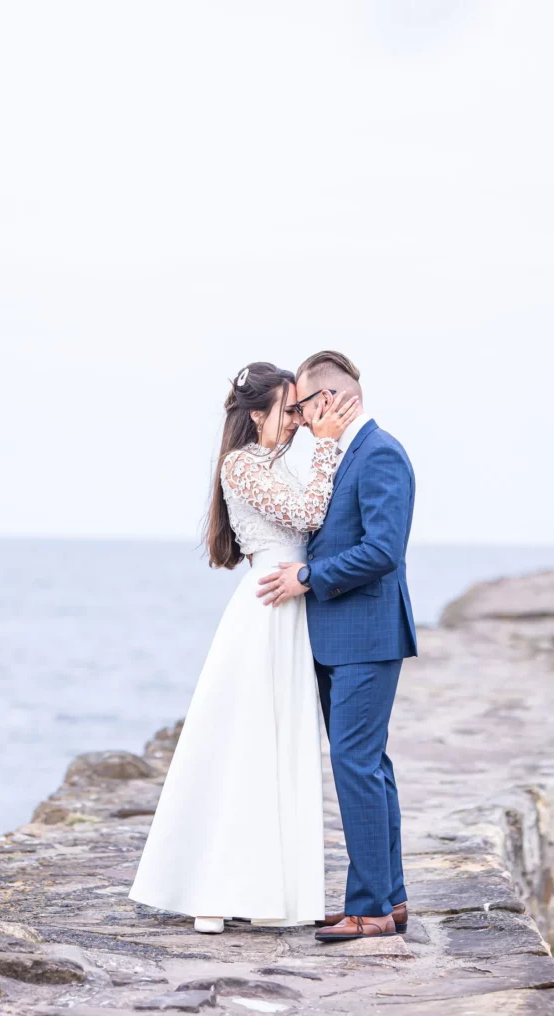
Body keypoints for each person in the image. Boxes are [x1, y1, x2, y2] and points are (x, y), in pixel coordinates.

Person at [128, 361, 359, 932]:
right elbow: (308, 514)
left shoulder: (281, 461)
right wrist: (328, 446)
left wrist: (319, 443)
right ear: (257, 415)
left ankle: (267, 890)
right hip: (263, 612)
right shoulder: (240, 465)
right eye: (289, 410)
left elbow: (314, 520)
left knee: (279, 750)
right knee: (245, 746)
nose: (299, 421)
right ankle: (215, 886)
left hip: (291, 608)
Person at [257, 350, 417, 942]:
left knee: (355, 765)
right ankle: (390, 899)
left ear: (326, 401)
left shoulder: (380, 453)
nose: (296, 418)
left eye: (299, 406)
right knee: (370, 766)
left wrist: (307, 577)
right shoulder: (348, 455)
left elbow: (383, 551)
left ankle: (370, 907)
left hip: (366, 636)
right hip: (340, 638)